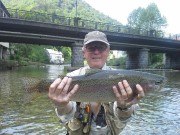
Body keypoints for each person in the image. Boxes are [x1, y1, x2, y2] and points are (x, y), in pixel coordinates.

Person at [48, 31, 145, 135]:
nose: (96, 51)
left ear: (108, 51)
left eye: (101, 47)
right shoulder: (70, 79)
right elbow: (66, 117)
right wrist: (62, 105)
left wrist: (124, 107)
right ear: (83, 52)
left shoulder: (123, 80)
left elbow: (124, 119)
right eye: (91, 48)